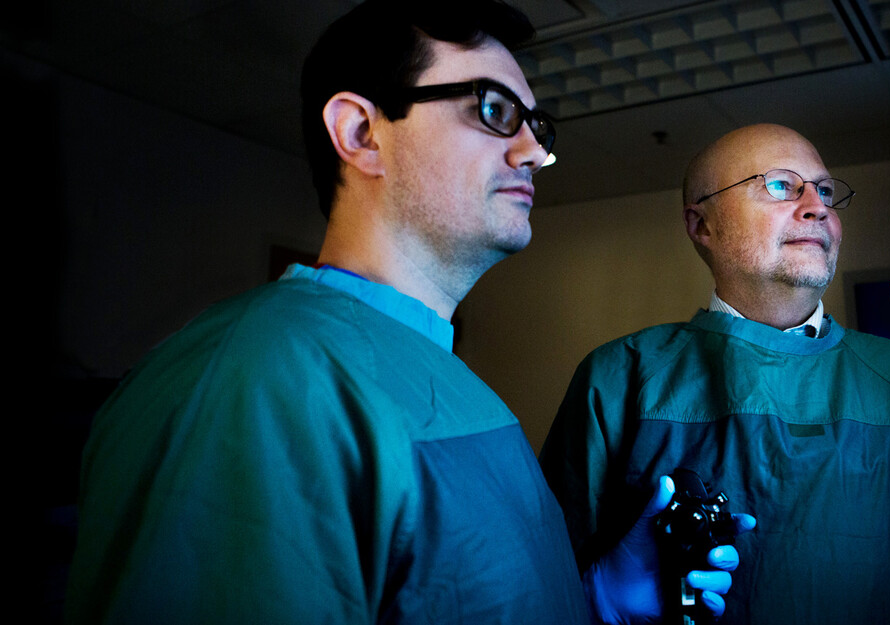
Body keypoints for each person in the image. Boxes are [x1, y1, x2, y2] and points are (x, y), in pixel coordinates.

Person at [64, 1, 743, 622]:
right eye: (493, 110)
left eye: (537, 125)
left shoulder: (450, 381)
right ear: (362, 132)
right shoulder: (253, 380)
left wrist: (597, 598)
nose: (536, 151)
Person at [540, 123, 890, 624]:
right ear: (702, 225)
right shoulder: (621, 380)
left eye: (824, 190)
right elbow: (543, 584)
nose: (817, 205)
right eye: (780, 185)